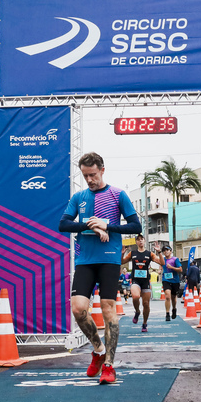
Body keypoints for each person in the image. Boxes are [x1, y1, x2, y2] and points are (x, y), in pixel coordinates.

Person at [59, 152, 141, 384]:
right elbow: (63, 224)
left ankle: (109, 365)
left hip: (109, 258)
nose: (89, 180)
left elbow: (136, 225)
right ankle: (98, 350)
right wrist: (90, 225)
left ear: (102, 170)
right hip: (85, 259)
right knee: (78, 308)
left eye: (93, 174)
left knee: (107, 309)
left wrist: (108, 226)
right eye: (85, 176)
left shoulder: (117, 195)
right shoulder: (79, 196)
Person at [122, 234, 163, 332]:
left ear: (144, 241)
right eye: (138, 240)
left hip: (145, 282)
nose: (140, 241)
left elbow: (162, 263)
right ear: (136, 242)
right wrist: (122, 253)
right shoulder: (132, 253)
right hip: (135, 280)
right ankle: (137, 311)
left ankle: (144, 323)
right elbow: (121, 261)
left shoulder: (149, 254)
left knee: (146, 304)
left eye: (142, 239)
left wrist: (159, 252)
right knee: (135, 297)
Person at [158, 245, 182, 320]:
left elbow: (180, 270)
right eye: (164, 251)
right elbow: (161, 266)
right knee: (167, 296)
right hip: (166, 280)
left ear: (171, 251)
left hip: (175, 280)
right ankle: (167, 313)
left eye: (167, 250)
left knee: (173, 297)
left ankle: (174, 309)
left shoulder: (175, 259)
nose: (166, 252)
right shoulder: (162, 259)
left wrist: (172, 268)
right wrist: (159, 270)